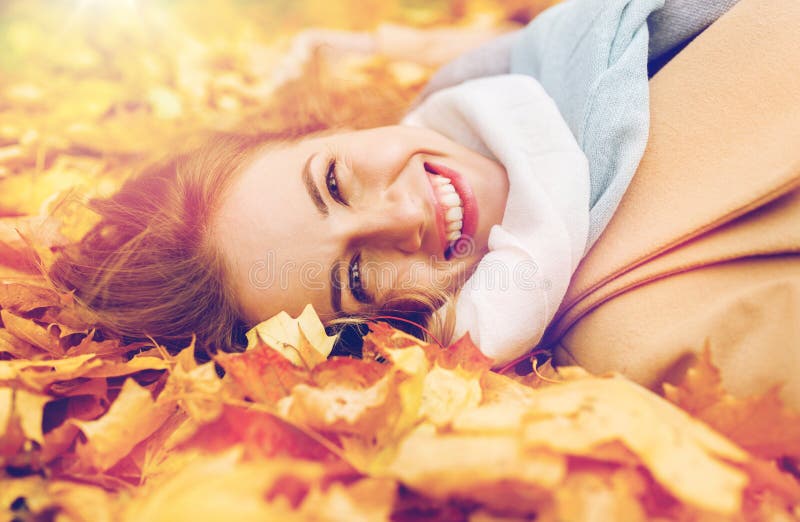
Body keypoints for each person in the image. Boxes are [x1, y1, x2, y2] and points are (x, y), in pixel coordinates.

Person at [50, 0, 748, 368]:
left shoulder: (496, 79)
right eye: (356, 277)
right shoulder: (640, 326)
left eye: (335, 182)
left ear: (326, 130)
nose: (398, 217)